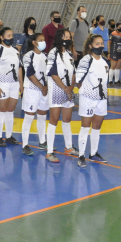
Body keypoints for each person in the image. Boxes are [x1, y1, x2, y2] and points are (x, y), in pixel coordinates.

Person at [75, 34, 109, 167]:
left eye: (102, 43)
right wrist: (86, 92)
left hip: (101, 99)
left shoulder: (105, 61)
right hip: (88, 99)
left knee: (97, 127)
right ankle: (81, 155)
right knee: (85, 127)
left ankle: (93, 153)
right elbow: (78, 79)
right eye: (97, 44)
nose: (100, 46)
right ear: (90, 46)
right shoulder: (86, 60)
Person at [45, 29, 77, 162]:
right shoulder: (53, 53)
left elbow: (74, 73)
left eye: (69, 37)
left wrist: (71, 87)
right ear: (59, 38)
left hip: (68, 90)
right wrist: (65, 88)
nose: (68, 39)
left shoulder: (69, 54)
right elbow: (53, 73)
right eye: (65, 37)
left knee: (67, 118)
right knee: (54, 119)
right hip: (57, 90)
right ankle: (49, 151)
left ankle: (68, 147)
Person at [0, 26, 22, 147]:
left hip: (14, 83)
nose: (11, 38)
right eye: (8, 36)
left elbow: (19, 68)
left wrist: (21, 84)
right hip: (2, 83)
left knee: (10, 110)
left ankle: (9, 136)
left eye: (12, 35)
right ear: (1, 37)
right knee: (2, 110)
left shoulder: (15, 51)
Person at [21, 32, 49, 156]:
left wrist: (46, 87)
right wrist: (42, 87)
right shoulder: (28, 56)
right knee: (29, 116)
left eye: (44, 40)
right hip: (32, 90)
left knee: (42, 115)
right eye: (40, 40)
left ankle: (42, 141)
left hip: (44, 90)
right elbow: (30, 74)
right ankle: (25, 144)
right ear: (34, 42)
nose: (43, 42)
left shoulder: (45, 56)